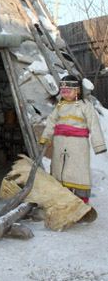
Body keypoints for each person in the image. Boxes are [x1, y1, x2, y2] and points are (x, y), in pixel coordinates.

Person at [40, 75, 106, 204]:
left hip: (78, 145)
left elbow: (94, 125)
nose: (65, 95)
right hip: (60, 143)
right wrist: (46, 138)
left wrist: (98, 145)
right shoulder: (60, 106)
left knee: (78, 171)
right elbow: (51, 123)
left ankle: (81, 201)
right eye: (63, 92)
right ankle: (64, 199)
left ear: (77, 91)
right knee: (60, 170)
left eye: (68, 91)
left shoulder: (85, 106)